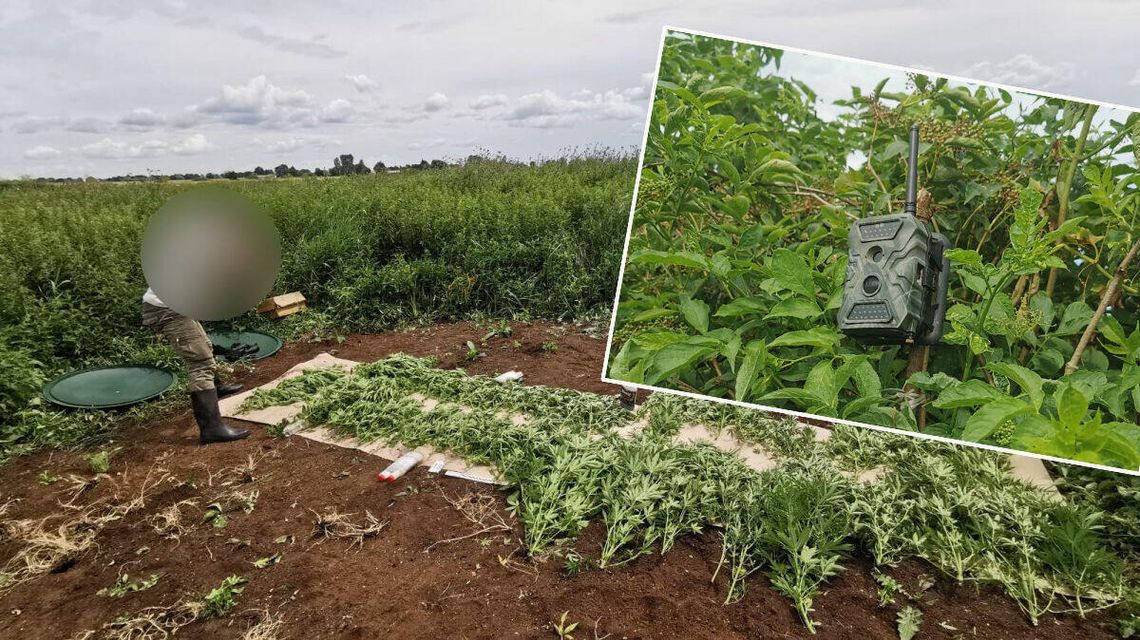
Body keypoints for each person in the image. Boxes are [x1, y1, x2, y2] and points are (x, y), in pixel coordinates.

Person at [141, 287, 250, 444]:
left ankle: (215, 387)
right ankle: (212, 430)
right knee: (201, 363)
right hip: (167, 308)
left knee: (205, 346)